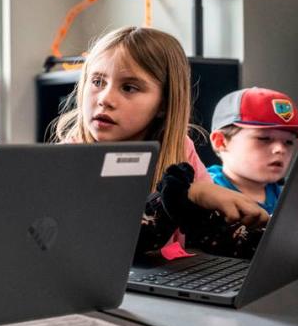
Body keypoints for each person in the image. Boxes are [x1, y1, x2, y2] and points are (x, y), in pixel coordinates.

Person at [53, 26, 269, 258]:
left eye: (128, 87)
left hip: (167, 280)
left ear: (164, 104)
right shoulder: (66, 162)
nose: (105, 99)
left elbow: (207, 231)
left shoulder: (180, 148)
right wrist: (188, 194)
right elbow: (110, 246)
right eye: (97, 82)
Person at [207, 87, 298, 215]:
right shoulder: (205, 192)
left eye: (289, 142)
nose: (280, 149)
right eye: (264, 138)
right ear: (221, 141)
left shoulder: (290, 195)